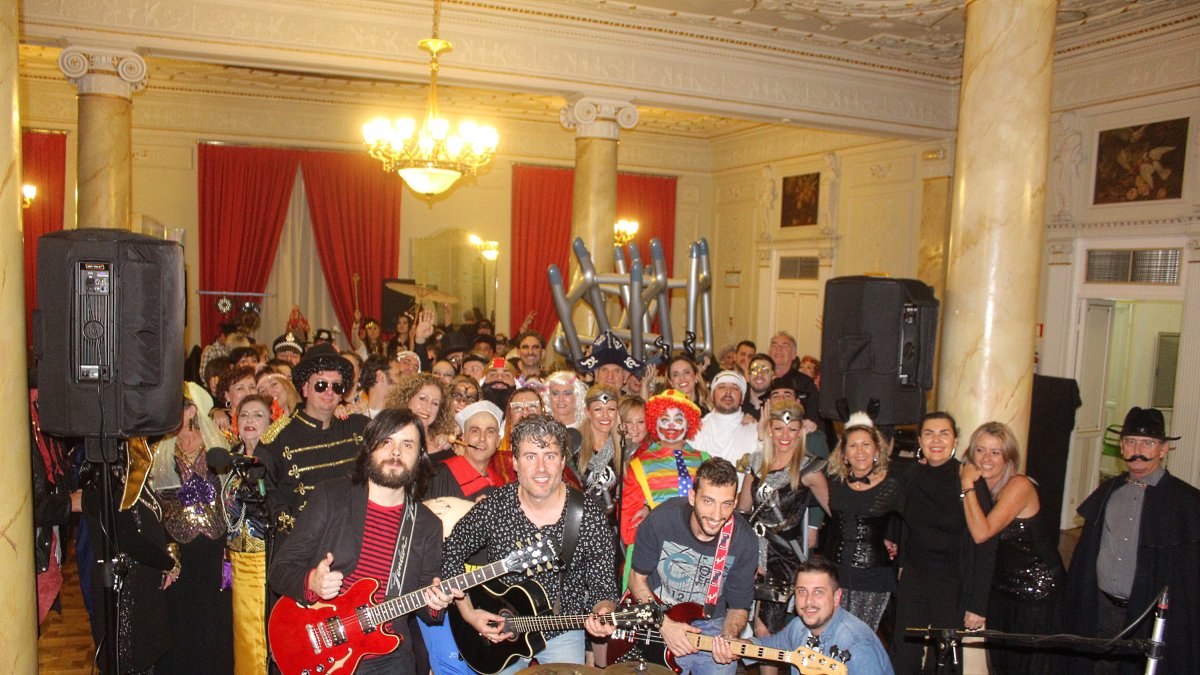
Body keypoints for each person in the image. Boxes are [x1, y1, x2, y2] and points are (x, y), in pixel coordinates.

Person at [268, 408, 457, 674]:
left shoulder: (426, 525)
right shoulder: (330, 497)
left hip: (389, 657)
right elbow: (279, 570)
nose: (396, 452)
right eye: (386, 442)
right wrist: (311, 582)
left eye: (407, 444)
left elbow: (427, 608)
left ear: (419, 457)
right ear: (369, 449)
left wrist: (436, 603)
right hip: (322, 650)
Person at [442, 414, 619, 672]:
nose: (540, 469)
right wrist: (469, 613)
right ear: (514, 462)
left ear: (561, 462)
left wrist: (603, 610)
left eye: (549, 456)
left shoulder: (588, 514)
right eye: (530, 456)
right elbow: (451, 552)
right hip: (500, 629)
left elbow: (602, 583)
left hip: (562, 628)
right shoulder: (496, 507)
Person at [1062, 407, 1200, 674]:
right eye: (1130, 442)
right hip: (1102, 608)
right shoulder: (1108, 492)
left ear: (1163, 450)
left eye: (1147, 443)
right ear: (1122, 448)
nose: (1137, 449)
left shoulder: (1187, 502)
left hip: (1150, 617)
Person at [628, 458, 757, 675]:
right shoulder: (661, 520)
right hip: (658, 613)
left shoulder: (743, 540)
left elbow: (738, 607)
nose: (717, 516)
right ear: (692, 497)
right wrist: (664, 624)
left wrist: (729, 637)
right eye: (708, 501)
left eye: (726, 504)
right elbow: (636, 579)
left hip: (711, 623)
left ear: (735, 503)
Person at [891, 411, 996, 674]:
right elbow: (901, 520)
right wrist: (901, 561)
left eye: (944, 433)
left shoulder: (968, 478)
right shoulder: (912, 474)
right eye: (929, 433)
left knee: (945, 657)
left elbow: (985, 546)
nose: (936, 440)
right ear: (919, 440)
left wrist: (977, 604)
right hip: (914, 576)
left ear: (955, 440)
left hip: (952, 581)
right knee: (904, 652)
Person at [959, 421, 1063, 674]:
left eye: (995, 452)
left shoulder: (1019, 485)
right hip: (1002, 588)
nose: (986, 459)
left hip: (1036, 591)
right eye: (980, 450)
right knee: (1001, 662)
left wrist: (966, 485)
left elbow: (981, 533)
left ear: (1008, 457)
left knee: (1026, 666)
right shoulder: (984, 487)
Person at [148, 383, 234, 674]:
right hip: (178, 544)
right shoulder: (159, 449)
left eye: (178, 407)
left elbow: (230, 493)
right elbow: (155, 503)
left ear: (192, 410)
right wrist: (165, 550)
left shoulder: (216, 444)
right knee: (180, 614)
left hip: (213, 542)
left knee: (213, 613)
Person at [737, 400, 829, 660]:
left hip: (784, 557)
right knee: (747, 624)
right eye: (778, 429)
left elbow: (837, 511)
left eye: (791, 429)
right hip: (750, 552)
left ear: (800, 431)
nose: (785, 436)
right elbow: (743, 510)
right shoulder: (755, 464)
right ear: (769, 430)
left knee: (766, 630)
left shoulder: (809, 469)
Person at [255, 346, 369, 546]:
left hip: (356, 542)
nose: (329, 392)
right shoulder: (277, 438)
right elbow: (265, 494)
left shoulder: (359, 428)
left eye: (337, 386)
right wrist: (296, 530)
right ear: (305, 389)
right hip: (302, 547)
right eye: (321, 385)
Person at [712, 558, 893, 675]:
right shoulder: (800, 627)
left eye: (818, 592)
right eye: (802, 591)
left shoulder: (856, 644)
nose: (808, 601)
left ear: (837, 597)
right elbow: (769, 645)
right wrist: (737, 646)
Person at [823, 412, 905, 630]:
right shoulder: (834, 481)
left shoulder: (891, 485)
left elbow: (912, 524)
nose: (860, 452)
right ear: (844, 452)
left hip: (873, 577)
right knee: (830, 635)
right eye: (853, 446)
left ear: (877, 450)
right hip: (834, 573)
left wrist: (896, 546)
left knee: (860, 638)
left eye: (866, 445)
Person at [221, 394, 273, 675]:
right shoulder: (228, 458)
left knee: (263, 636)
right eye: (244, 415)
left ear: (271, 422)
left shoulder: (274, 459)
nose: (249, 421)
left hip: (265, 561)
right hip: (236, 564)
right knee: (243, 637)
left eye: (258, 415)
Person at [620, 389, 709, 546]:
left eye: (678, 419)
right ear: (655, 422)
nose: (671, 425)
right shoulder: (638, 464)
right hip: (654, 553)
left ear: (689, 422)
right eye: (665, 419)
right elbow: (629, 531)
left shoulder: (705, 460)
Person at [428, 401, 505, 501]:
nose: (482, 438)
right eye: (475, 430)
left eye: (490, 431)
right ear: (463, 438)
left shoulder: (501, 485)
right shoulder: (438, 476)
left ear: (498, 441)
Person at [692, 370, 758, 472]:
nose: (728, 391)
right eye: (722, 386)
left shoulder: (755, 430)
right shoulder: (697, 430)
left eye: (735, 388)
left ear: (742, 398)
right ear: (712, 396)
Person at [575, 384, 624, 518]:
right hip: (581, 525)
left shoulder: (624, 447)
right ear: (587, 412)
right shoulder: (573, 446)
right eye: (598, 409)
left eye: (611, 409)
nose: (605, 415)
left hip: (613, 527)